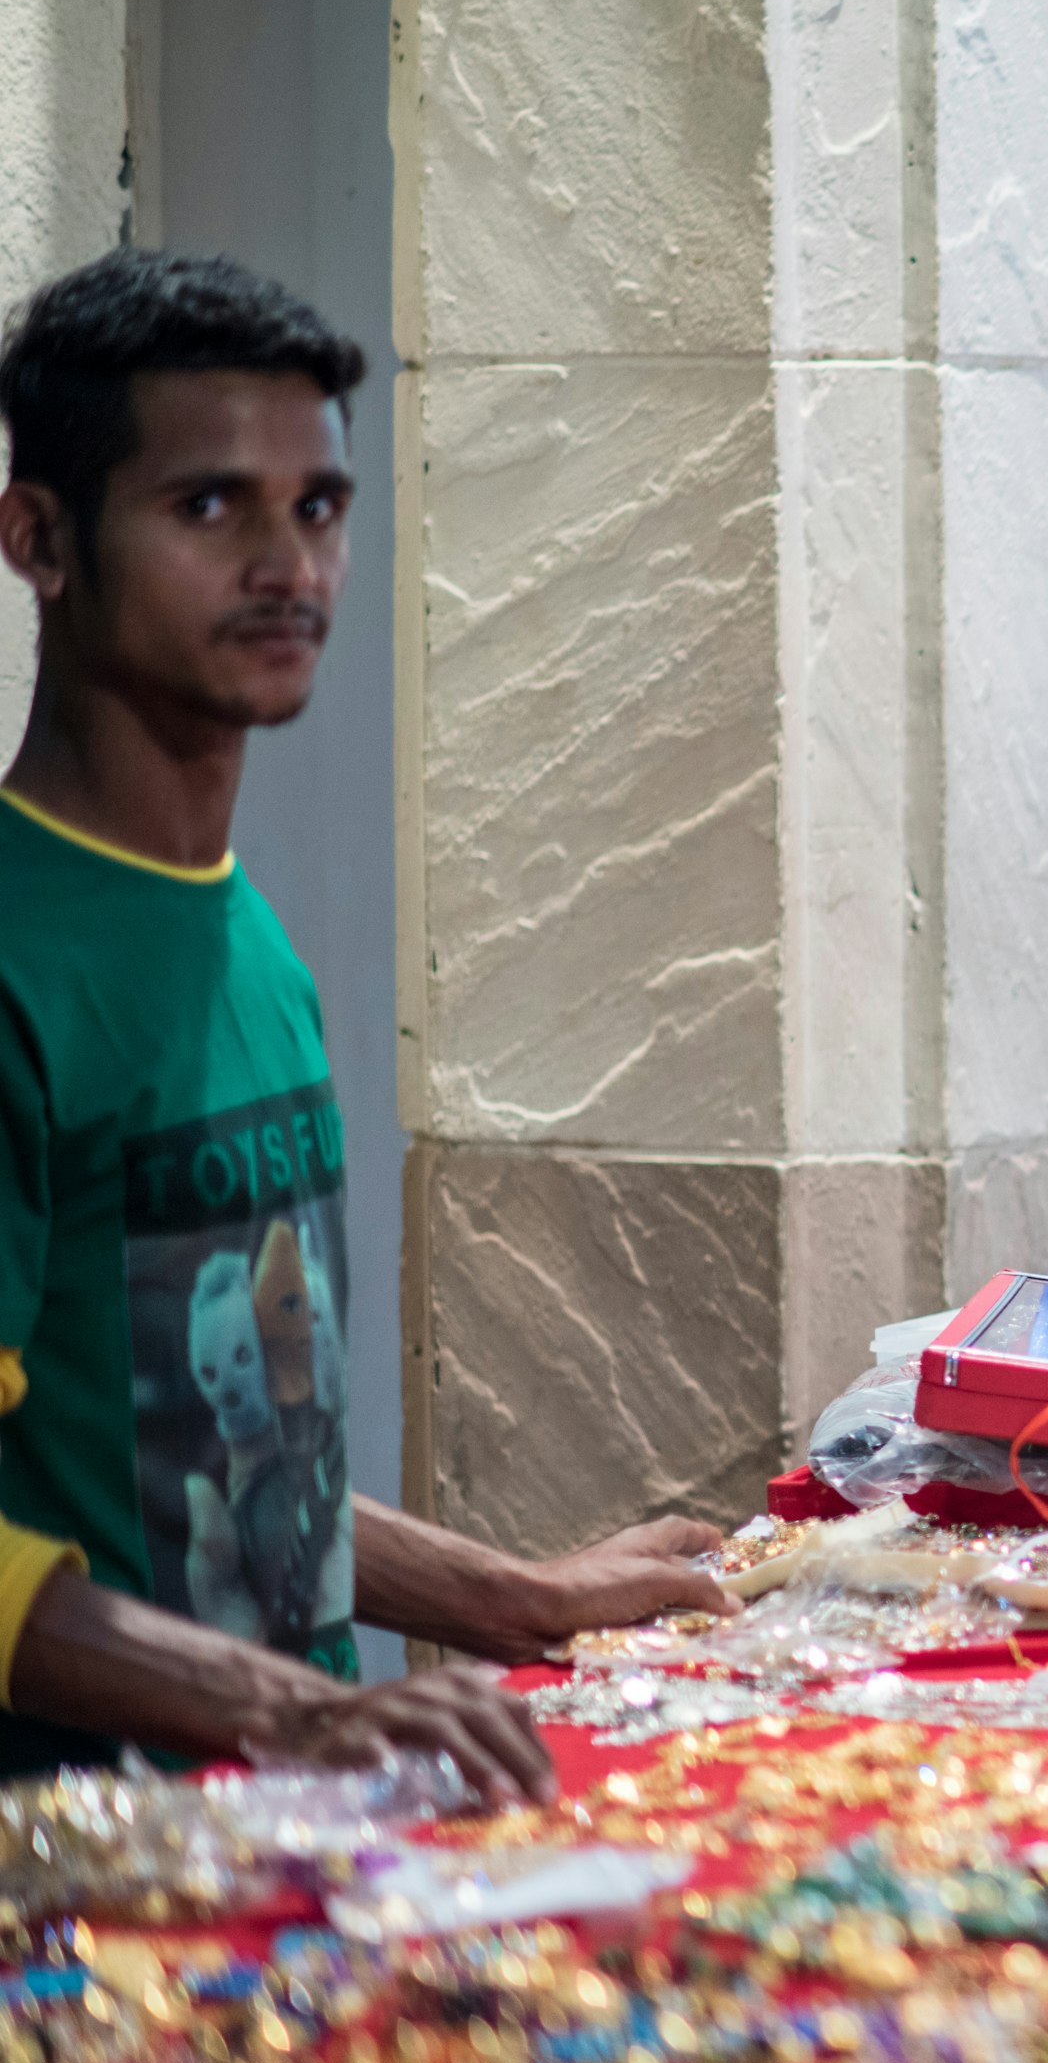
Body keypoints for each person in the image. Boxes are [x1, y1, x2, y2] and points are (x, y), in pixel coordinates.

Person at [0, 250, 729, 1796]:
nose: (289, 565)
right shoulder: (19, 954)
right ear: (40, 538)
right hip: (76, 1895)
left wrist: (516, 1598)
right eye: (211, 508)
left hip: (286, 1845)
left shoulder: (239, 926)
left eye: (317, 507)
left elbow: (224, 1455)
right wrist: (289, 1708)